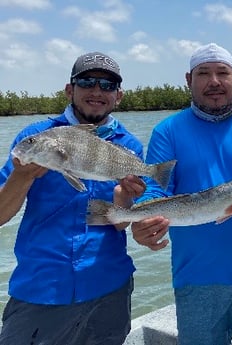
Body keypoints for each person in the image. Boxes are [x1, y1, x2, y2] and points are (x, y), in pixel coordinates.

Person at [125, 43, 232, 345]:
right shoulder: (167, 130)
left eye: (222, 73)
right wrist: (144, 222)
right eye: (204, 73)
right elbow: (154, 188)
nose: (214, 81)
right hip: (197, 279)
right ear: (189, 80)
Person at [0, 52, 143, 344]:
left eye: (107, 85)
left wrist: (123, 199)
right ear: (70, 90)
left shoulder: (129, 146)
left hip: (110, 286)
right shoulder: (36, 136)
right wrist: (22, 176)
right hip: (41, 288)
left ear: (119, 95)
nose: (96, 91)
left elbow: (119, 225)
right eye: (87, 82)